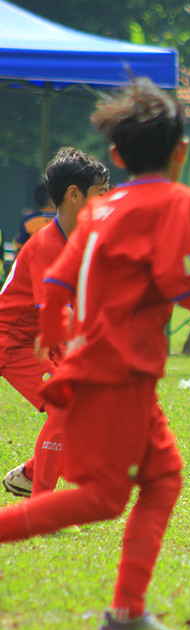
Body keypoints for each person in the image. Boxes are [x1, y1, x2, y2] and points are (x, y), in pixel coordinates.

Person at [0, 78, 190, 630]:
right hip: (119, 374)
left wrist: (60, 327)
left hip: (108, 369)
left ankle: (127, 613)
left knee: (163, 479)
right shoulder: (176, 199)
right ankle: (125, 611)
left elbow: (60, 278)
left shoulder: (99, 214)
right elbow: (176, 281)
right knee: (106, 499)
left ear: (115, 156)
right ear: (181, 152)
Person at [1, 148, 109, 500]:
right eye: (101, 195)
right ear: (74, 195)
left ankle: (30, 476)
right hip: (12, 340)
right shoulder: (47, 245)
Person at [13, 184, 56, 255]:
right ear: (50, 200)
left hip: (35, 264)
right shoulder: (64, 219)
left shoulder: (28, 221)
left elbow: (19, 248)